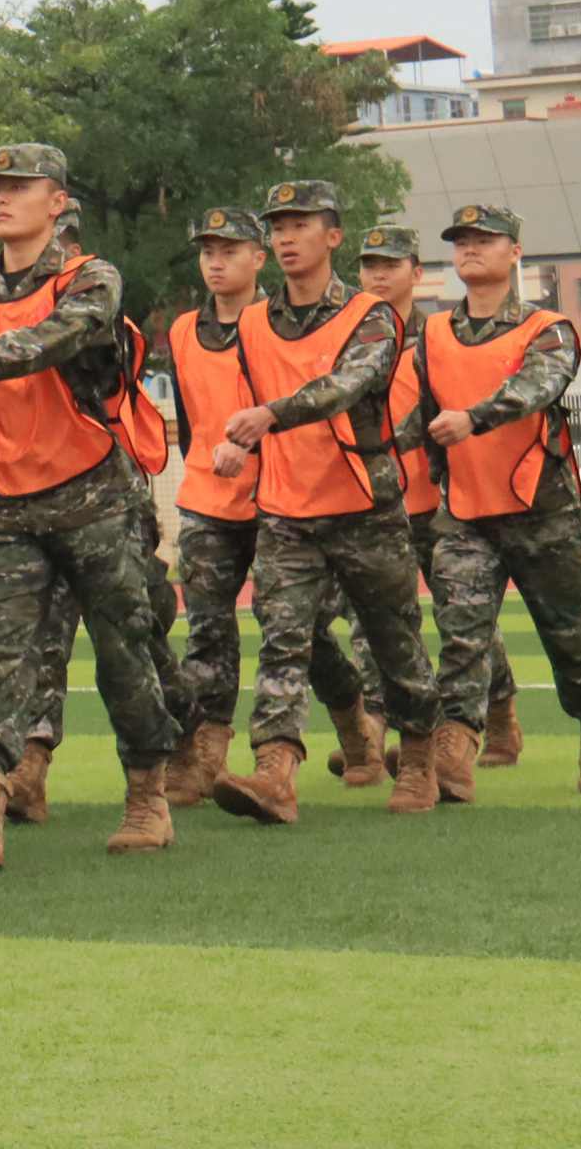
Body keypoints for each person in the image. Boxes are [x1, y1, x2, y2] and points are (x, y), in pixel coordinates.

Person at [0, 145, 184, 867]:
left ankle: (148, 799)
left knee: (124, 651)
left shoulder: (89, 278)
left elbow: (59, 337)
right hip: (8, 501)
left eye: (18, 187)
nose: (1, 199)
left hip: (94, 494)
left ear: (58, 201)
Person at [208, 178, 442, 823]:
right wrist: (246, 446)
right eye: (277, 227)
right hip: (285, 509)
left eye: (300, 225)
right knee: (281, 640)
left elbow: (345, 386)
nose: (285, 237)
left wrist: (268, 419)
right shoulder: (254, 321)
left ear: (333, 236)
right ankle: (274, 772)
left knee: (394, 641)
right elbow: (258, 394)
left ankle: (419, 756)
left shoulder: (371, 318)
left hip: (364, 504)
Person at [155, 206, 371, 804]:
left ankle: (353, 720)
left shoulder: (277, 326)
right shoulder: (180, 331)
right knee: (207, 632)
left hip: (277, 496)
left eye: (230, 250)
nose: (216, 261)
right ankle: (205, 753)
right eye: (207, 251)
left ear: (259, 258)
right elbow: (193, 420)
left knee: (296, 630)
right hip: (207, 499)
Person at [415, 203, 581, 797]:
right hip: (466, 512)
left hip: (540, 508)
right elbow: (421, 416)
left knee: (569, 632)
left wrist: (473, 419)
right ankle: (456, 742)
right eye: (461, 241)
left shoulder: (548, 329)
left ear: (514, 252)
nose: (470, 249)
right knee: (460, 631)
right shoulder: (432, 334)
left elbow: (536, 388)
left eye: (485, 239)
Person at [7, 200, 179, 826]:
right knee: (41, 636)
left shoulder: (96, 306)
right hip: (33, 497)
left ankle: (177, 732)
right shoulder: (1, 302)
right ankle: (30, 764)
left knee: (136, 633)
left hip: (111, 497)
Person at [358, 223, 523, 773]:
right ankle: (372, 735)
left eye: (390, 264)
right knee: (373, 623)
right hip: (372, 505)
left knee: (464, 620)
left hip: (437, 502)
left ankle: (499, 714)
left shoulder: (444, 336)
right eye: (369, 265)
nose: (377, 275)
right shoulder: (351, 336)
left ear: (415, 273)